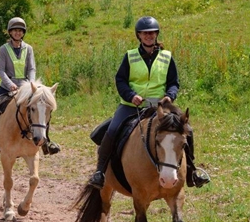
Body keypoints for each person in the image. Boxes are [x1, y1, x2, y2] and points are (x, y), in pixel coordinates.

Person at [87, 16, 210, 189]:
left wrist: (170, 95)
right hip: (132, 105)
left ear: (156, 34)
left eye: (152, 33)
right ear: (139, 35)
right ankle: (100, 172)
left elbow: (174, 82)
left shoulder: (167, 57)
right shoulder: (130, 56)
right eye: (145, 33)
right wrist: (131, 95)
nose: (149, 36)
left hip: (160, 106)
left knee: (187, 130)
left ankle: (192, 172)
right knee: (112, 130)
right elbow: (120, 80)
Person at [0, 17, 60, 155]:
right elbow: (1, 70)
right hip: (7, 87)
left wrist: (31, 84)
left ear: (23, 33)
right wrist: (10, 84)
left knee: (41, 109)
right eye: (14, 31)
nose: (17, 33)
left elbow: (31, 68)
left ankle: (46, 142)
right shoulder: (4, 49)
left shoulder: (28, 49)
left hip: (26, 88)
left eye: (20, 31)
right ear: (10, 33)